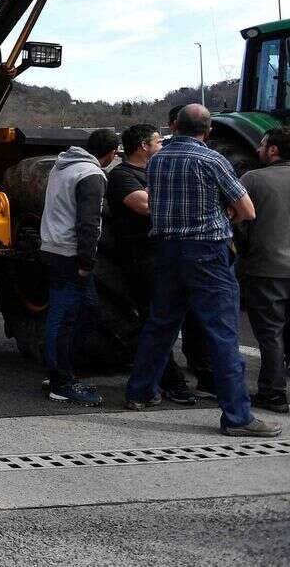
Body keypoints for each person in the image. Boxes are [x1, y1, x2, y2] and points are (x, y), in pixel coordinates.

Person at [124, 104, 280, 437]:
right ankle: (238, 417)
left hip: (166, 250)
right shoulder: (212, 160)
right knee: (222, 333)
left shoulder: (158, 160)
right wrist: (226, 214)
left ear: (176, 127)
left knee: (160, 325)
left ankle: (140, 392)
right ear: (207, 131)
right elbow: (247, 210)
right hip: (207, 253)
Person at [107, 124, 197, 405]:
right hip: (140, 257)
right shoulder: (122, 175)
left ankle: (173, 376)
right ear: (143, 146)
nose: (161, 146)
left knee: (171, 319)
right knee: (154, 320)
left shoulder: (154, 173)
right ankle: (170, 381)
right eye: (157, 141)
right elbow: (145, 206)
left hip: (164, 255)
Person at [40, 128, 120, 406]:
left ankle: (61, 372)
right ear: (111, 153)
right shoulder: (91, 175)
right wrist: (87, 262)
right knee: (64, 319)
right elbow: (89, 222)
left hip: (52, 247)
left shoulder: (61, 167)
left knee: (83, 311)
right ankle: (60, 383)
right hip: (70, 254)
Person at [238, 127, 290, 414]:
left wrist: (245, 255)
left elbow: (238, 224)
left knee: (271, 333)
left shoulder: (253, 180)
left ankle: (274, 392)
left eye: (262, 145)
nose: (259, 149)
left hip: (267, 267)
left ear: (273, 151)